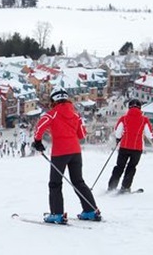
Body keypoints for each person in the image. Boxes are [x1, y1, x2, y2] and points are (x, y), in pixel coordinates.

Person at [32, 86, 101, 224]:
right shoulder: (76, 115)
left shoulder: (52, 114)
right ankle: (91, 210)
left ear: (53, 100)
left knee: (55, 183)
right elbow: (82, 134)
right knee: (78, 181)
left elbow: (40, 126)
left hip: (60, 153)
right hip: (75, 151)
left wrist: (38, 141)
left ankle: (57, 214)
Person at [107, 98, 153, 193]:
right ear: (140, 108)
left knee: (119, 166)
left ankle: (112, 186)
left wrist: (118, 138)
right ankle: (125, 187)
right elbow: (149, 134)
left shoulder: (124, 118)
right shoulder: (144, 120)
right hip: (137, 148)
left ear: (129, 107)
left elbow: (118, 132)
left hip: (124, 146)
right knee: (131, 167)